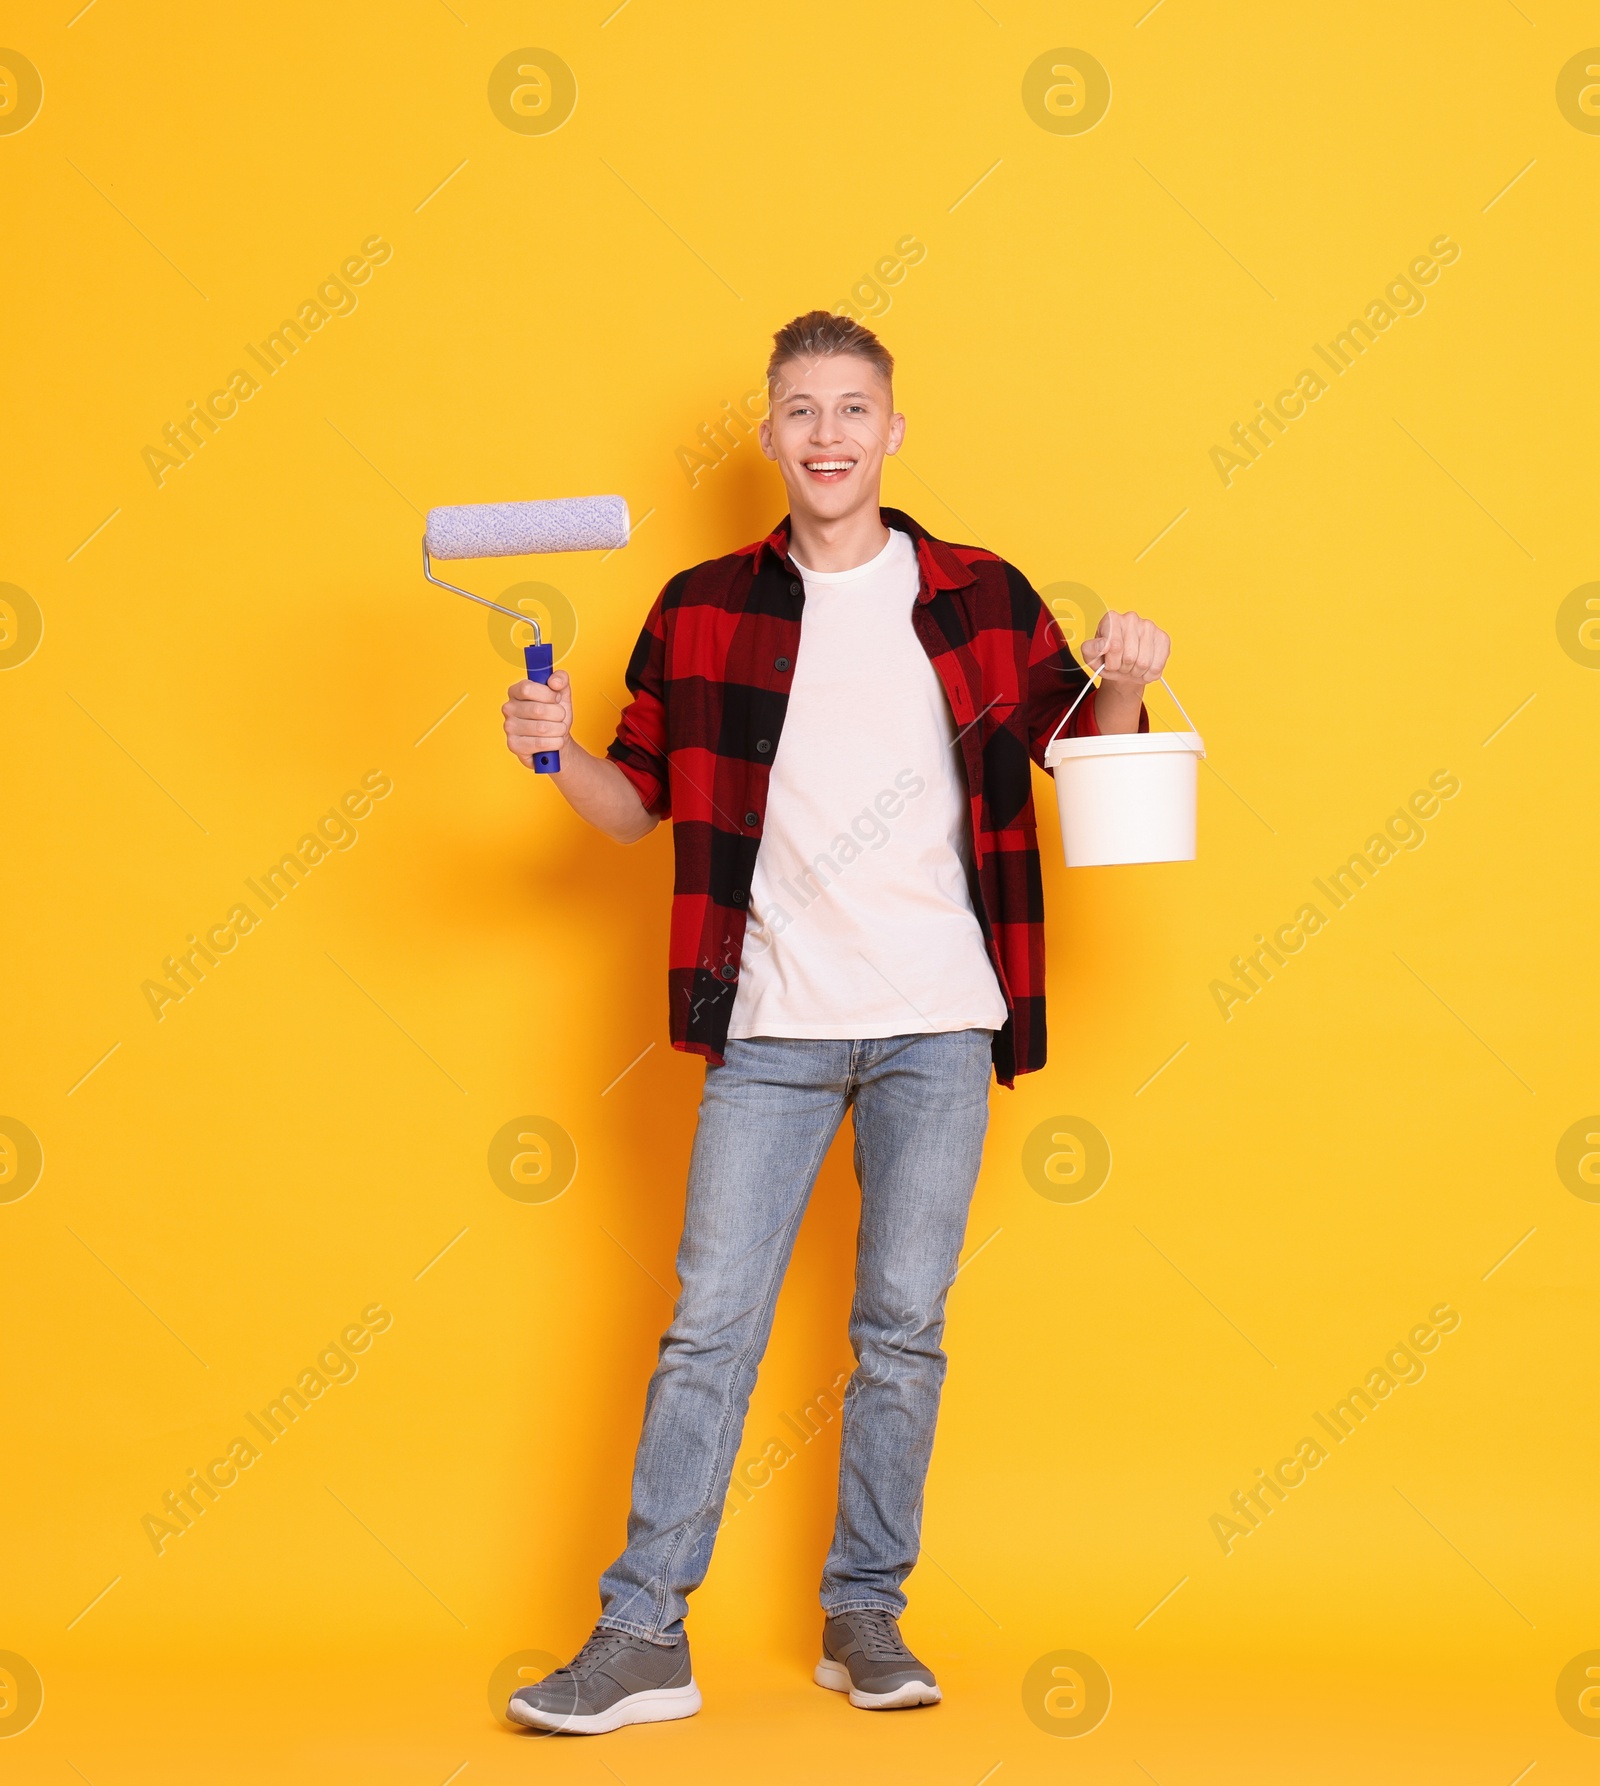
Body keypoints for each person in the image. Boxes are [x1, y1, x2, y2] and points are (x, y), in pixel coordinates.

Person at [500, 311, 1171, 1736]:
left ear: (892, 430)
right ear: (769, 435)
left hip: (938, 1020)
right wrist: (552, 749)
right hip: (771, 1025)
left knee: (903, 1327)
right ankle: (641, 1635)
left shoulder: (981, 594)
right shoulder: (698, 607)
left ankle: (865, 1609)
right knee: (709, 1328)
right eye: (800, 410)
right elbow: (632, 807)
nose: (826, 435)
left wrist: (1120, 676)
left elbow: (1082, 763)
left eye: (851, 409)